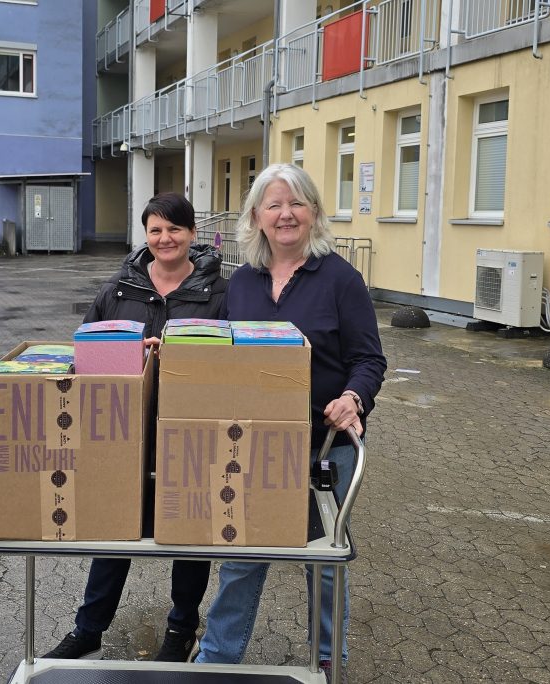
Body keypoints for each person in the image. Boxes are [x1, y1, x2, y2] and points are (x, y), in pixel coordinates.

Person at [193, 164, 386, 681]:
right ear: (256, 217)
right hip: (251, 443)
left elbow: (369, 360)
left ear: (315, 213)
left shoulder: (341, 279)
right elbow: (218, 350)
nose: (286, 214)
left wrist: (353, 397)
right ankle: (217, 659)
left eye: (297, 203)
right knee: (242, 556)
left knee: (322, 562)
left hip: (324, 447)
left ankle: (327, 660)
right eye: (274, 205)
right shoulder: (242, 282)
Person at [43, 192, 227, 662]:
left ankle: (181, 629)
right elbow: (83, 355)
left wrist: (183, 356)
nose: (165, 239)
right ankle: (89, 628)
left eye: (175, 229)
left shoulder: (218, 293)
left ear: (192, 234)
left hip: (190, 429)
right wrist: (127, 352)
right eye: (156, 230)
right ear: (146, 235)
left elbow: (233, 363)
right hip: (122, 432)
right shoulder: (119, 290)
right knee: (113, 529)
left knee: (189, 531)